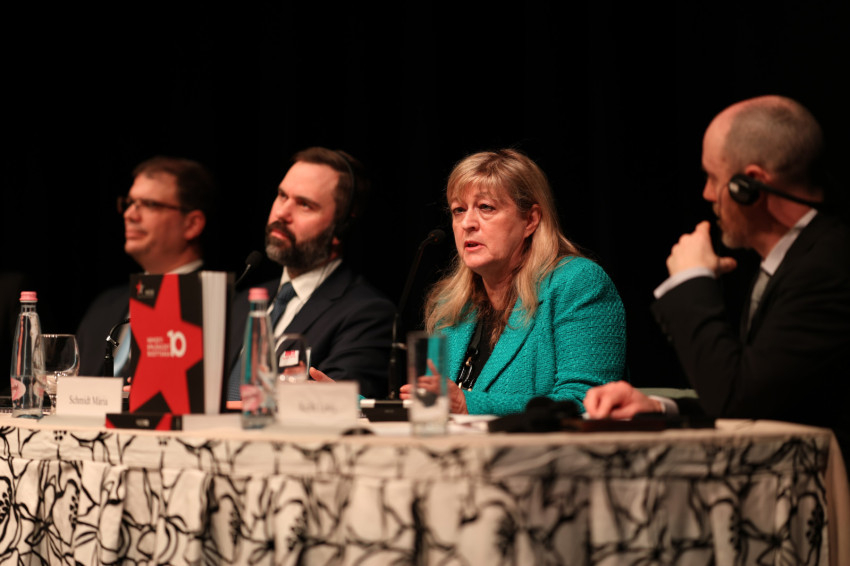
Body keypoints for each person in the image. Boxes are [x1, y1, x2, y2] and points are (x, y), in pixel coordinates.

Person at [583, 95, 850, 459]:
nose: (707, 193)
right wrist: (660, 408)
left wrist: (691, 281)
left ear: (750, 186)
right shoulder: (796, 261)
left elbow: (738, 402)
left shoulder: (824, 268)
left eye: (713, 178)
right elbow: (769, 397)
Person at [398, 149, 627, 415]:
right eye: (458, 210)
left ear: (530, 220)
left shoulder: (577, 284)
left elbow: (586, 402)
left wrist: (467, 404)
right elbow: (431, 407)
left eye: (486, 207)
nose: (467, 223)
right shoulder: (450, 305)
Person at [225, 147, 394, 401]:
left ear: (340, 228)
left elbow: (337, 406)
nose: (282, 213)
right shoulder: (242, 302)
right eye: (282, 196)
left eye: (305, 205)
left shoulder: (367, 315)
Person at [76, 156, 216, 377]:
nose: (130, 215)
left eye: (149, 204)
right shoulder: (104, 306)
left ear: (192, 224)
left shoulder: (218, 307)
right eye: (130, 203)